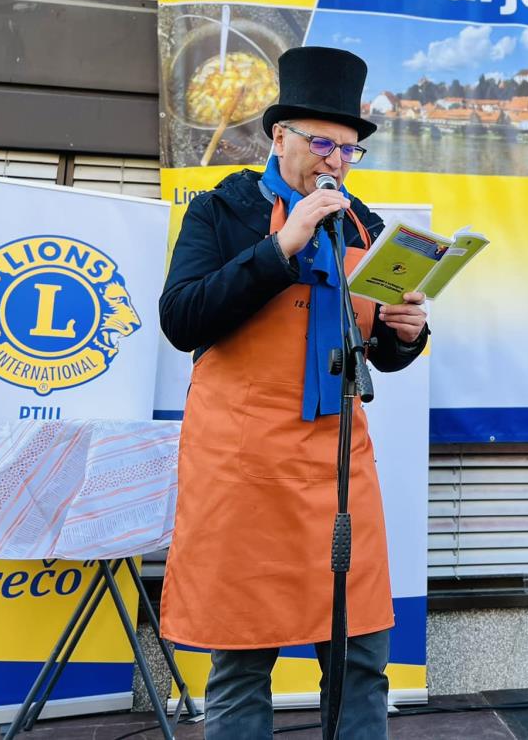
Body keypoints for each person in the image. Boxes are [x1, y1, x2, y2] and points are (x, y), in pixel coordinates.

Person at [158, 46, 429, 740]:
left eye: (348, 149)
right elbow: (182, 319)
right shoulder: (222, 211)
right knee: (242, 656)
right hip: (241, 465)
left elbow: (379, 351)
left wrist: (406, 332)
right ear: (279, 137)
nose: (336, 160)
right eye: (322, 143)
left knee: (360, 652)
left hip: (337, 465)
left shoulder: (365, 226)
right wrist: (283, 246)